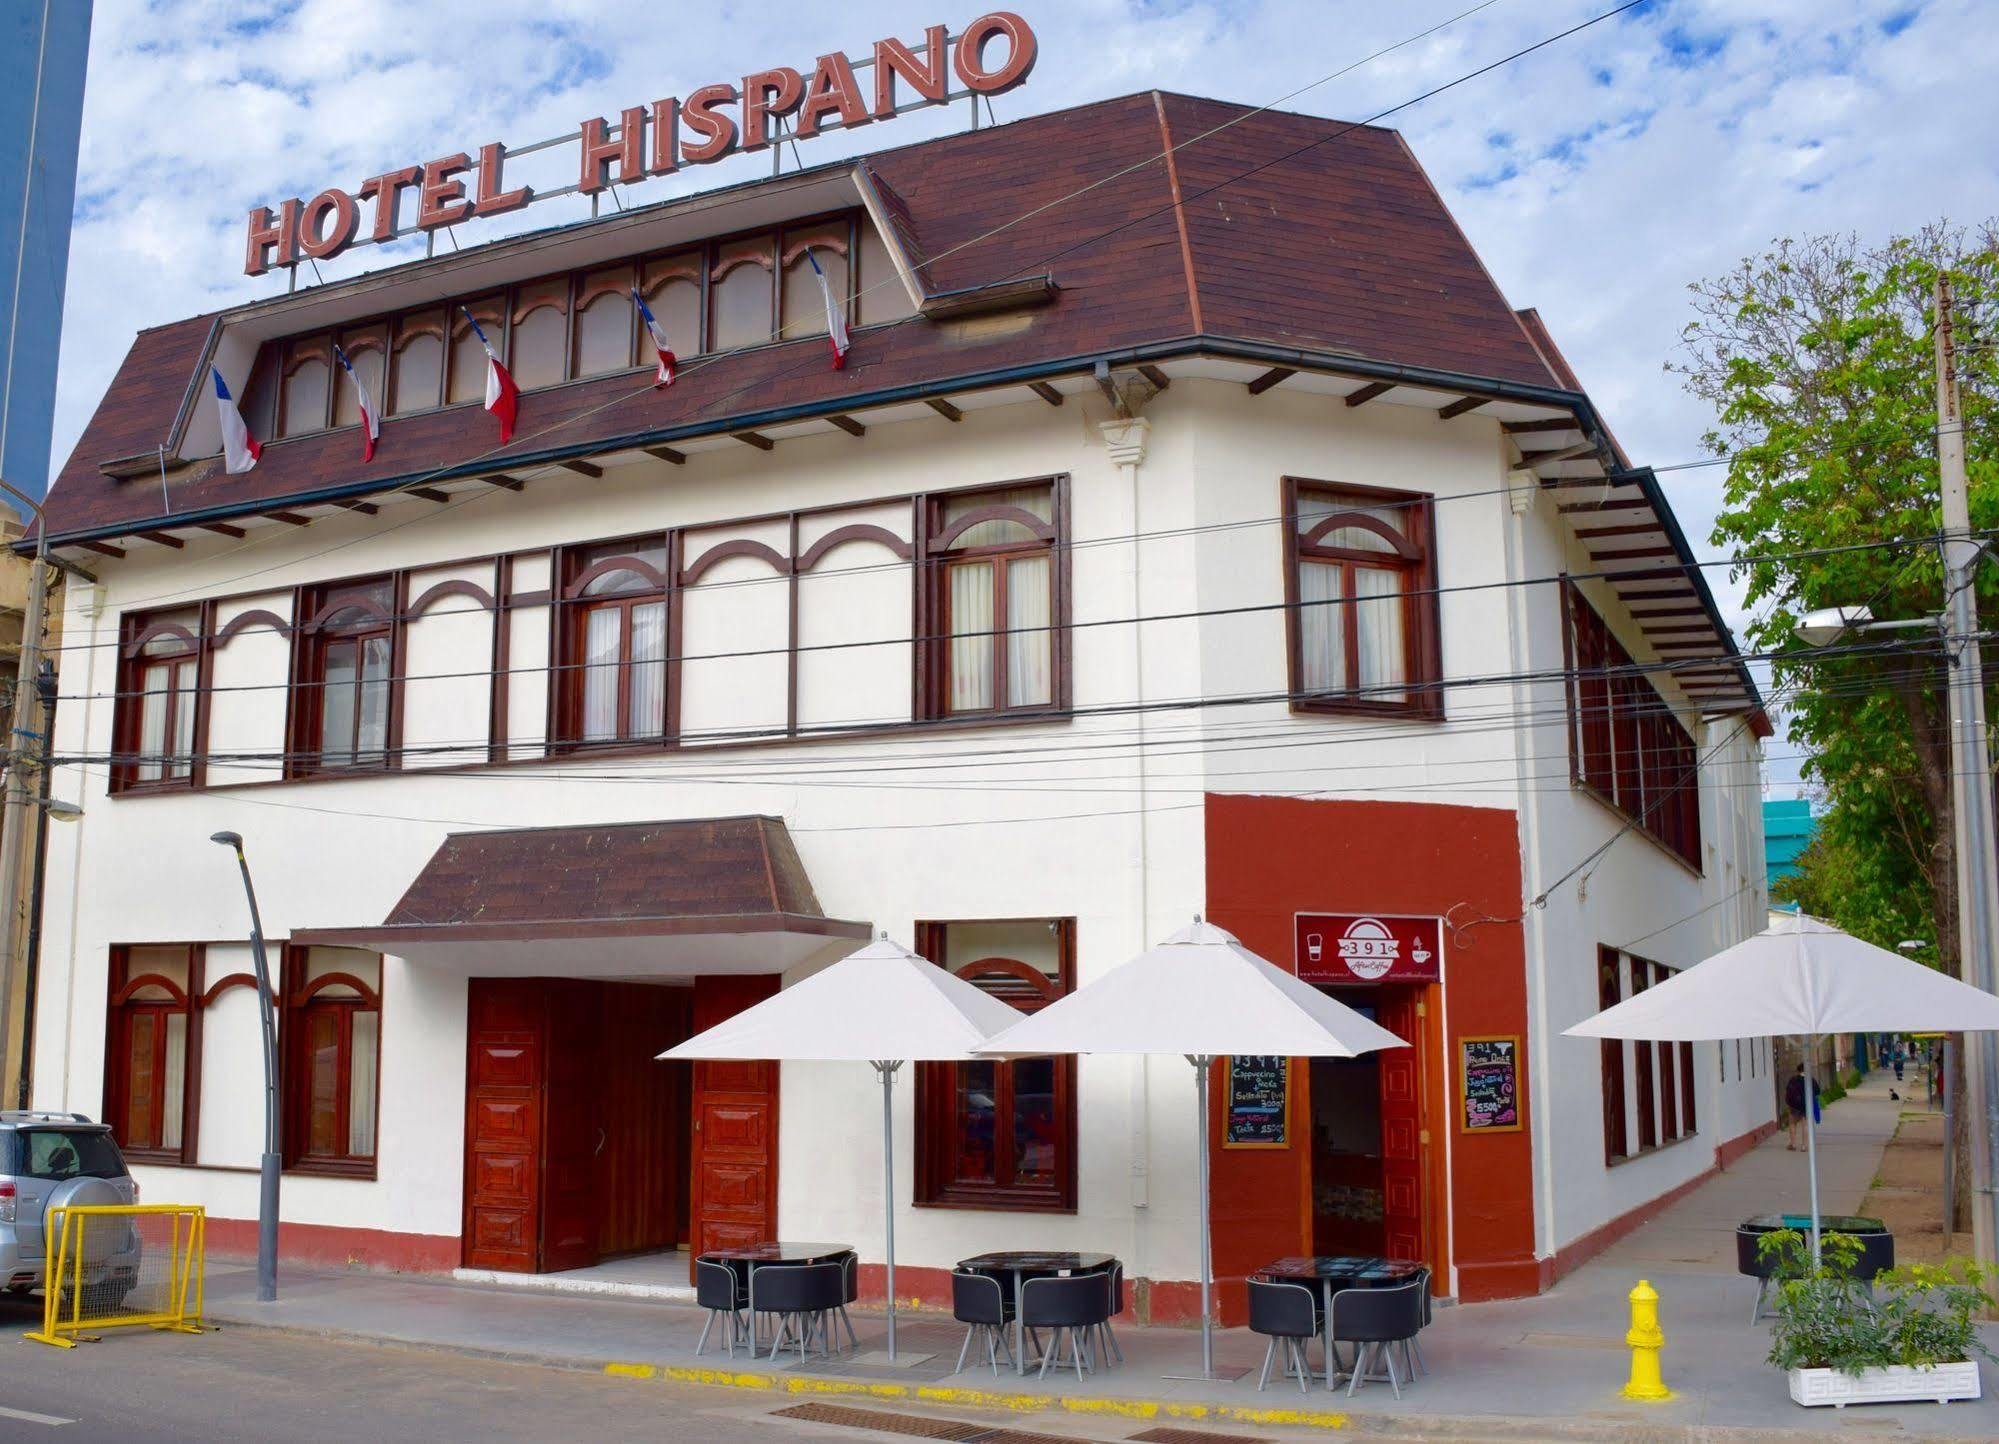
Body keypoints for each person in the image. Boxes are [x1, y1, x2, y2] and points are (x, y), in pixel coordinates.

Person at [1784, 1064, 1820, 1150]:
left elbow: (1788, 1092)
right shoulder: (1810, 1080)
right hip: (1806, 1105)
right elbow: (1817, 1091)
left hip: (1794, 1106)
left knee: (1792, 1124)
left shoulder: (1793, 1080)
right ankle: (1804, 1146)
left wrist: (1789, 1103)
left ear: (1798, 1071)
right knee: (1805, 1125)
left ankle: (1792, 1144)